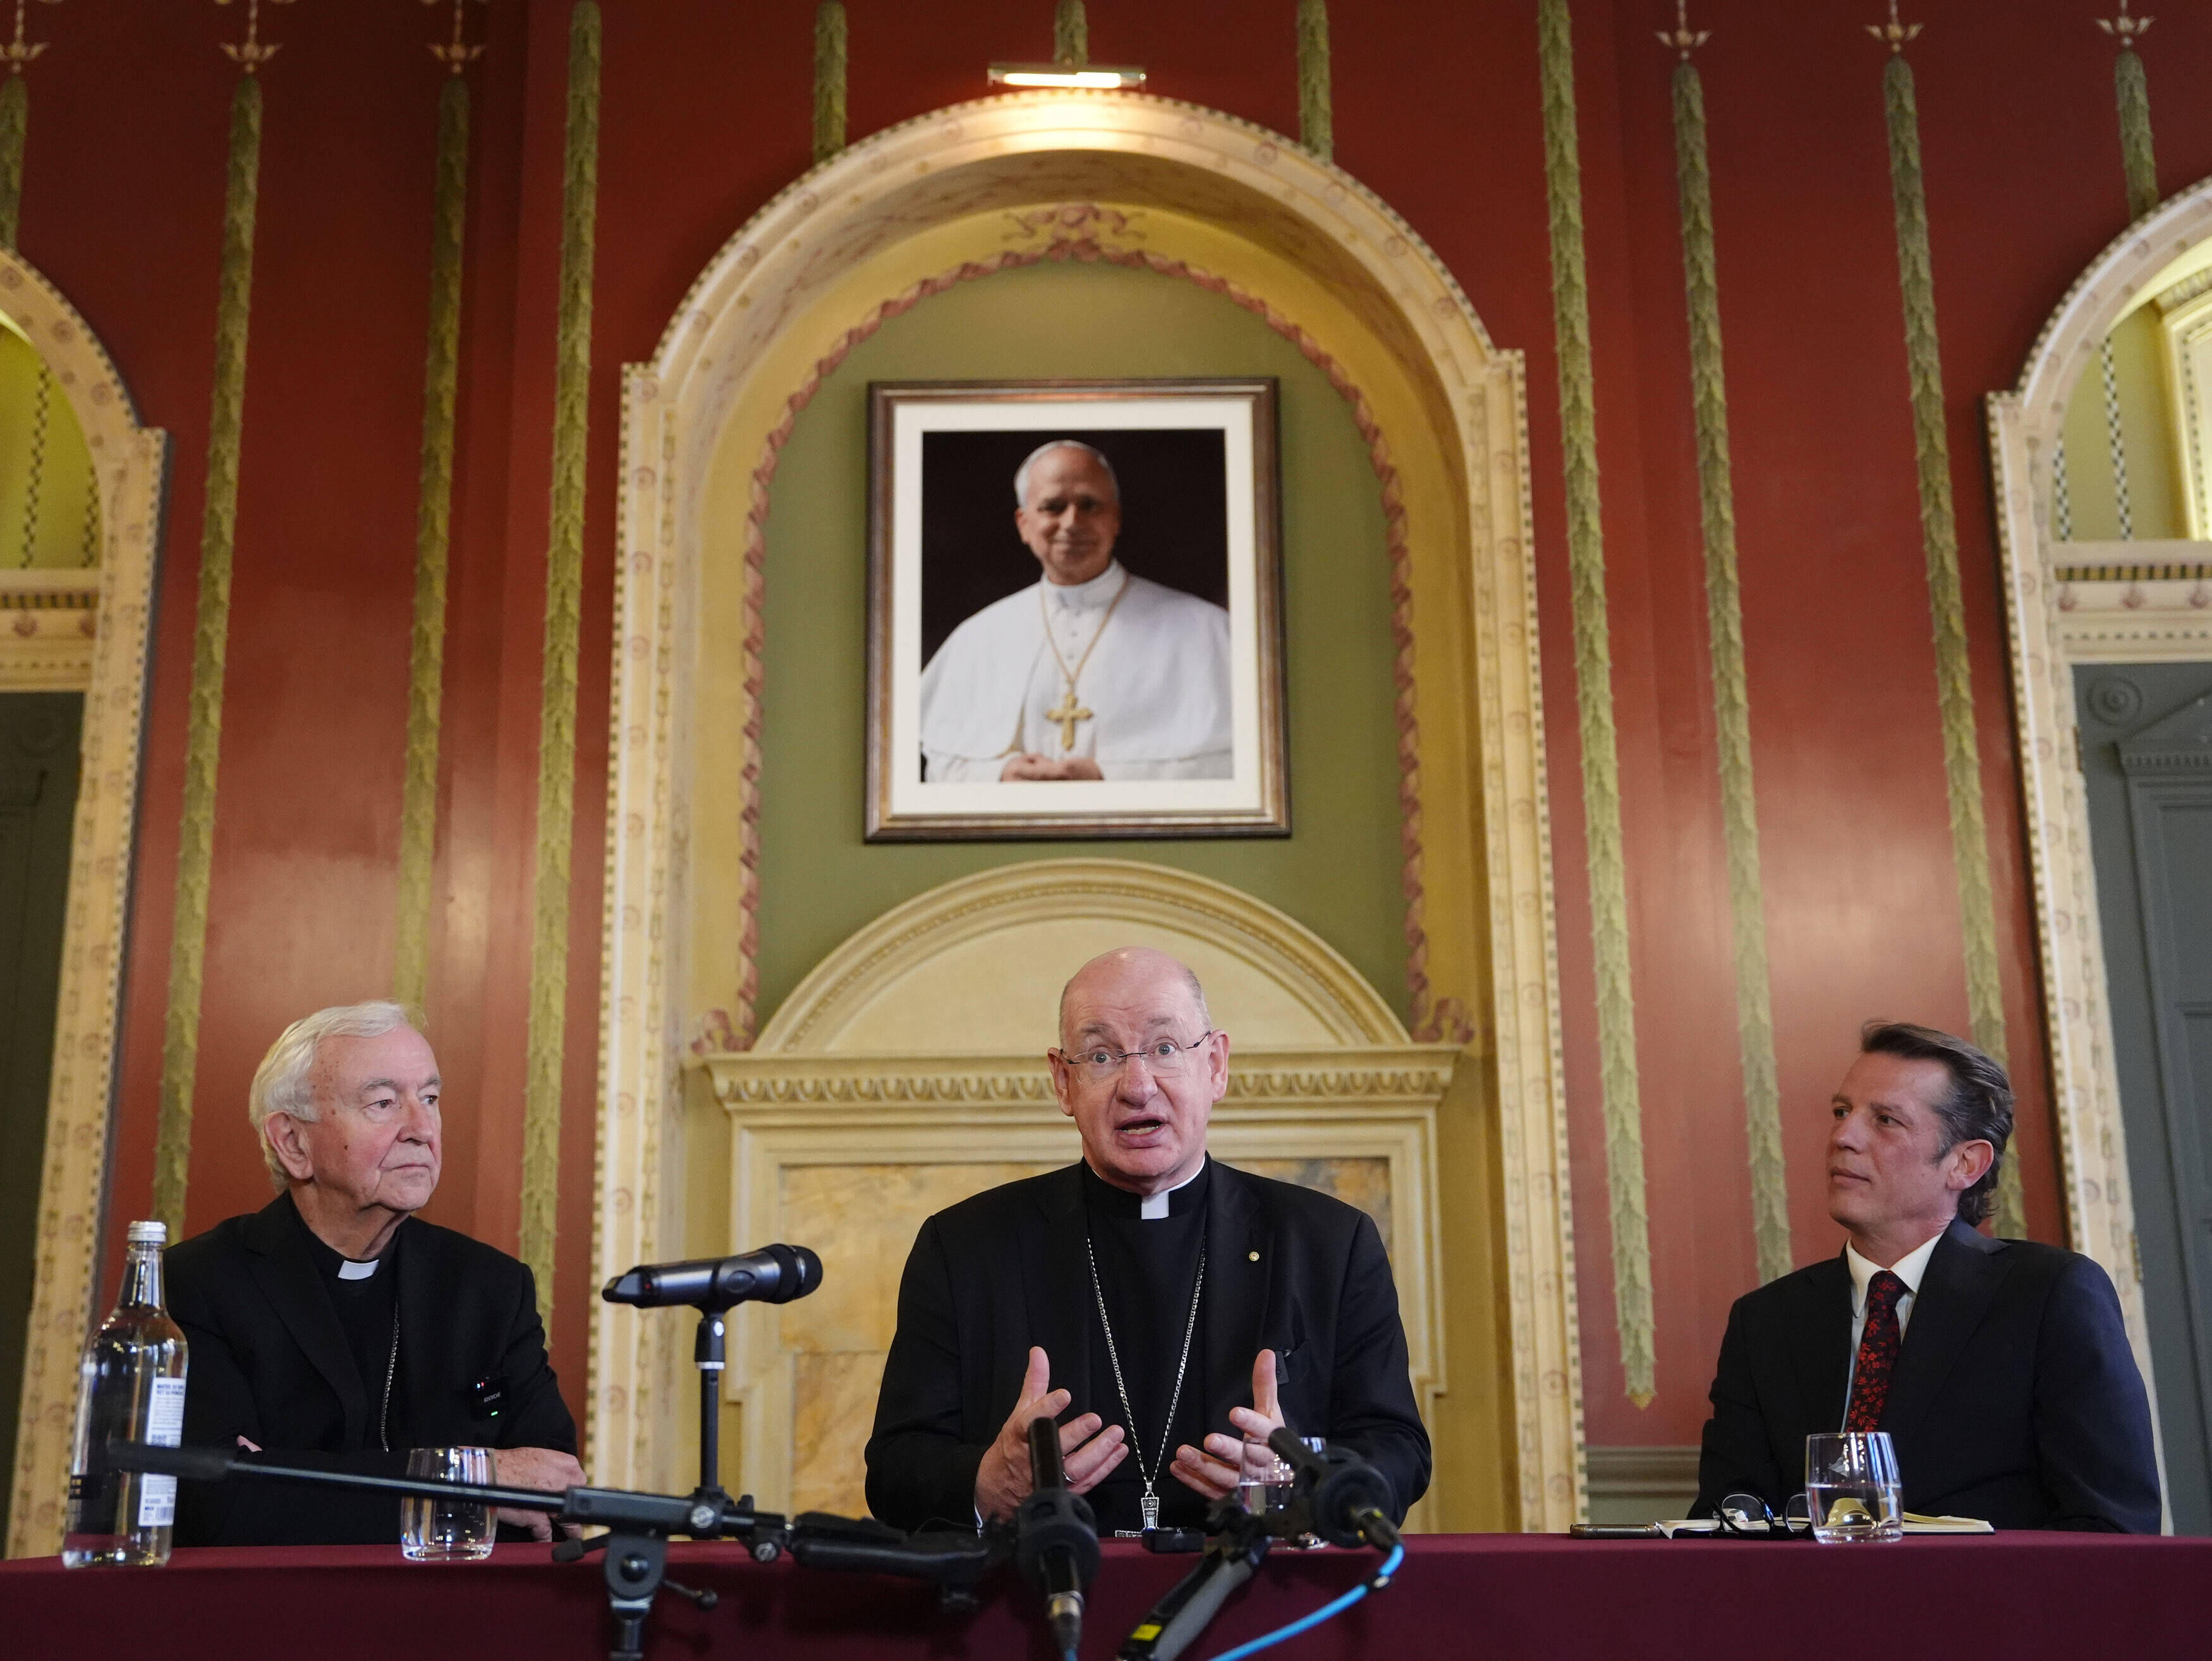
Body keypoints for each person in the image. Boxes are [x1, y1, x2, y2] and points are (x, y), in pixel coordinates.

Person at [864, 947, 1430, 1534]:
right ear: (1064, 1082)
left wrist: (1292, 1490)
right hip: (1040, 1599)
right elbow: (895, 1471)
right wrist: (988, 1483)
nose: (1138, 1087)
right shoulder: (964, 1249)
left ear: (1215, 1065)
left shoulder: (1329, 1244)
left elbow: (1400, 1451)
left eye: (1165, 1049)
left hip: (1256, 1605)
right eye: (1102, 1056)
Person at [1696, 1021, 2161, 1531]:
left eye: (1886, 1121)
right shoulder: (1765, 1320)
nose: (1842, 1137)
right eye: (1841, 1112)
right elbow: (1727, 1520)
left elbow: (2109, 1525)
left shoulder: (2050, 1294)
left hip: (1989, 1606)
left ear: (1964, 1163)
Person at [165, 1002, 585, 1546]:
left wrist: (290, 1480)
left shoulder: (490, 1289)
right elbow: (217, 1509)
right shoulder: (198, 1283)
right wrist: (471, 1480)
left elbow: (549, 1498)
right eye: (384, 1103)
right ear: (293, 1143)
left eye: (430, 1099)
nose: (422, 1129)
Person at [918, 440, 1233, 782]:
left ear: (1116, 519)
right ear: (1024, 524)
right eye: (1053, 507)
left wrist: (1112, 778)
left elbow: (1238, 766)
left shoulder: (1208, 631)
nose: (1071, 522)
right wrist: (999, 775)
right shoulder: (977, 636)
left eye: (1090, 505)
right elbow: (938, 765)